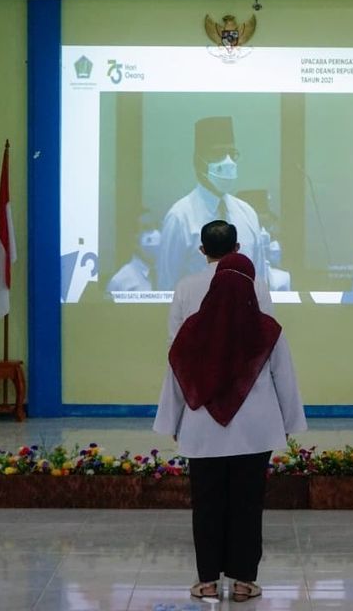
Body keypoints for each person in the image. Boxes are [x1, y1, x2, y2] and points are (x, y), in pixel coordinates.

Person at [154, 253, 306, 603]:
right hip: (255, 433)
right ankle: (243, 582)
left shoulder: (193, 329)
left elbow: (177, 375)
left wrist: (173, 422)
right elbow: (284, 378)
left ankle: (207, 581)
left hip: (202, 431)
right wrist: (289, 423)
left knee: (206, 505)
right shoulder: (268, 330)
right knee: (247, 505)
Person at [156, 116, 266, 290]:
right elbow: (167, 287)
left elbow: (260, 282)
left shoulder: (247, 214)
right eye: (218, 153)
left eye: (231, 154)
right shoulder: (180, 217)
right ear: (199, 160)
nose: (228, 161)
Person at [168, 220, 273, 344]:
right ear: (237, 247)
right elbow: (268, 334)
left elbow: (175, 340)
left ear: (202, 249)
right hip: (246, 356)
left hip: (198, 357)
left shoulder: (185, 286)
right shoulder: (256, 284)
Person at [107, 213, 161, 294]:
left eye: (157, 227)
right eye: (147, 228)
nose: (156, 235)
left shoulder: (171, 277)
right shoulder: (119, 282)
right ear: (134, 239)